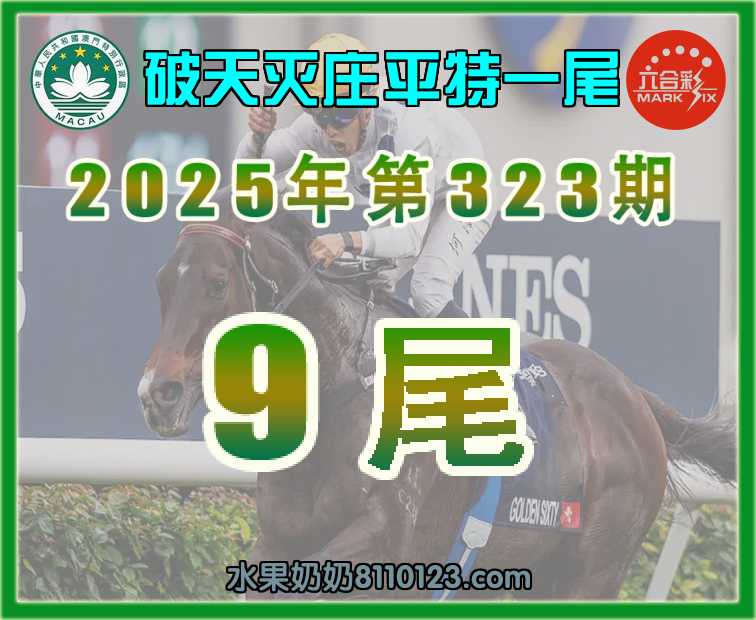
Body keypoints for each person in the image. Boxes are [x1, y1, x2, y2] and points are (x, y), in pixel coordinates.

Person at [235, 33, 496, 319]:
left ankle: (485, 350)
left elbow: (409, 237)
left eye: (341, 114)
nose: (329, 130)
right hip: (412, 195)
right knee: (369, 283)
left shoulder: (407, 131)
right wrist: (258, 137)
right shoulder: (315, 131)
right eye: (319, 114)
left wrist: (345, 239)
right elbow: (248, 172)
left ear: (367, 109)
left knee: (429, 290)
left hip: (464, 191)